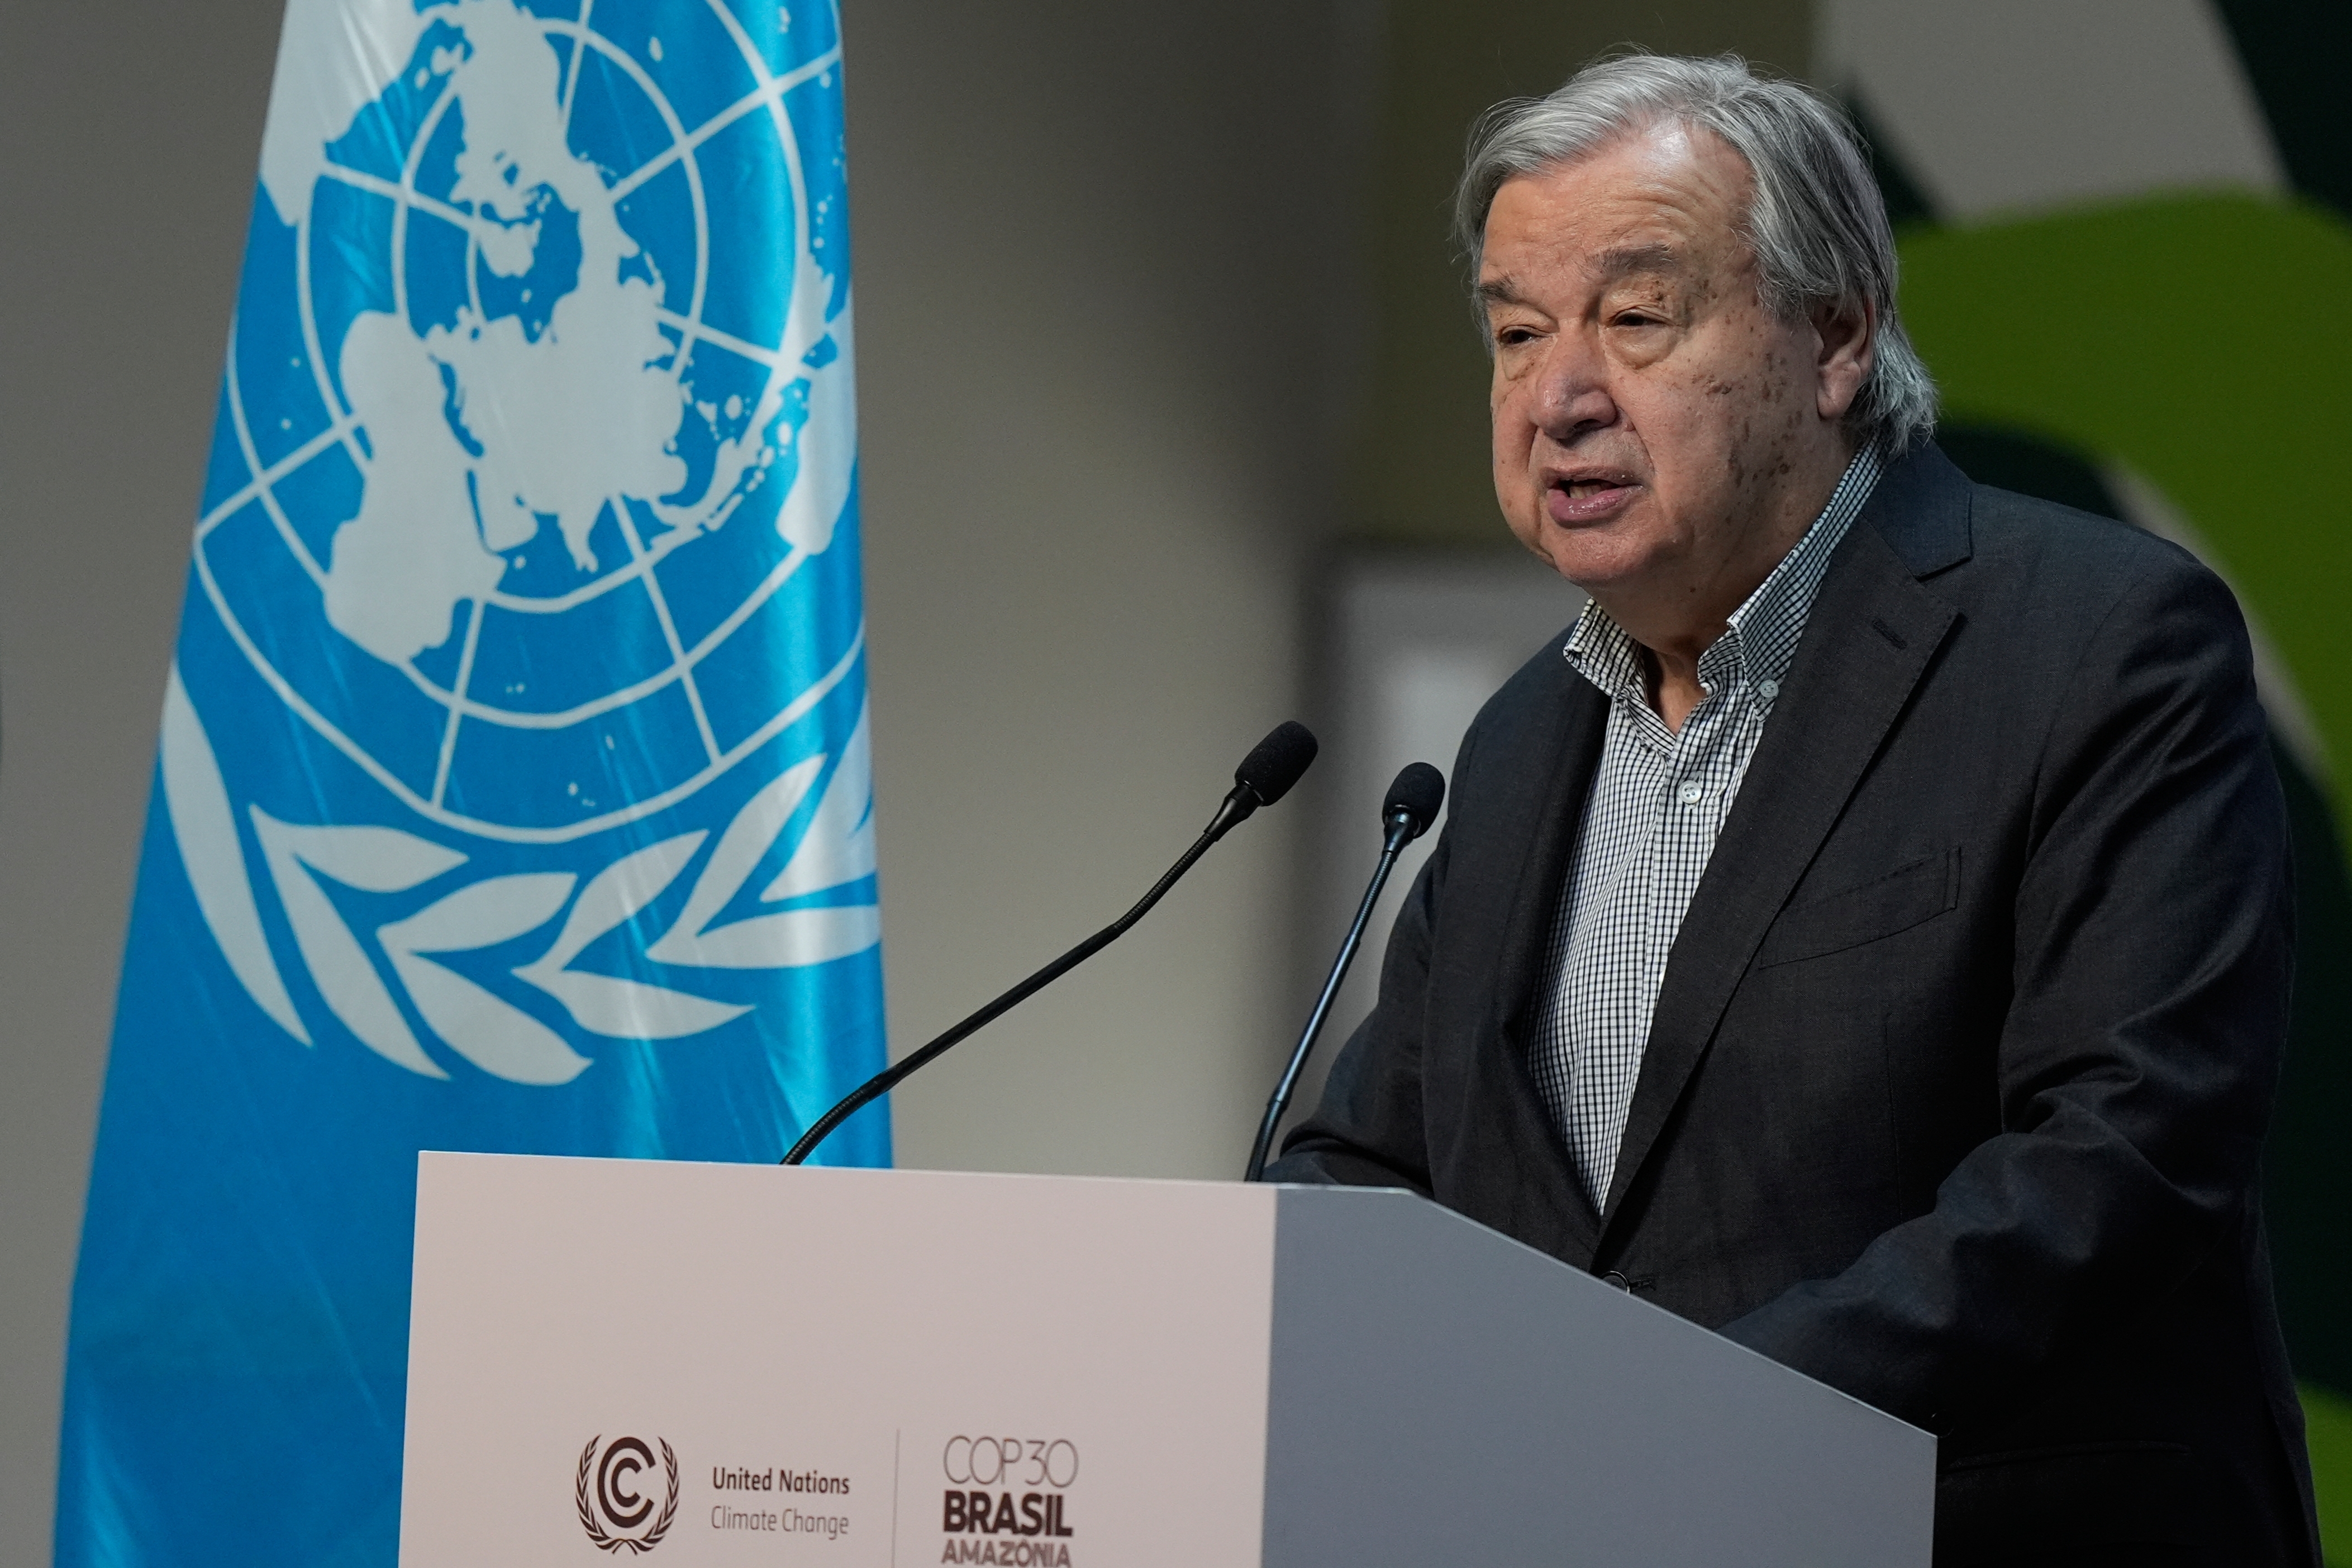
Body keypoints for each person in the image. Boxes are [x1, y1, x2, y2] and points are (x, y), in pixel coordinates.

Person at [1265, 53, 2316, 1566]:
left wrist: (1693, 1423)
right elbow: (1375, 1167)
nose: (1557, 396)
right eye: (1513, 332)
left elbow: (2122, 1154)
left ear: (1832, 338)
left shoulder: (2095, 643)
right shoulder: (1516, 745)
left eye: (1633, 319)